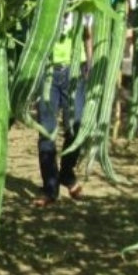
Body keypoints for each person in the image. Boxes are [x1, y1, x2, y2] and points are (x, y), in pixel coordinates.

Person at [34, 12, 90, 207]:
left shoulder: (81, 2)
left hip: (75, 71)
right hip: (47, 69)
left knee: (76, 125)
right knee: (46, 131)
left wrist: (89, 65)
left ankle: (66, 172)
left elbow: (87, 33)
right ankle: (50, 187)